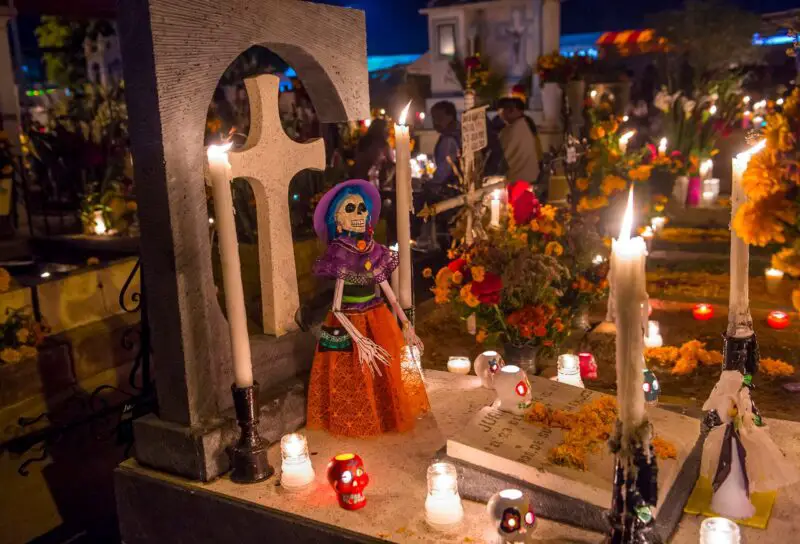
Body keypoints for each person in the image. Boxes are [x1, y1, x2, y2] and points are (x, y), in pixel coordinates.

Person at [307, 180, 429, 437]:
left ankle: (386, 415)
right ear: (338, 222)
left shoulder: (374, 251)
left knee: (388, 367)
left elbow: (389, 293)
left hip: (377, 314)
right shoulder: (340, 254)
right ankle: (357, 419)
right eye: (350, 209)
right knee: (351, 371)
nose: (360, 215)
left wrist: (406, 326)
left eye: (362, 208)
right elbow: (337, 307)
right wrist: (360, 339)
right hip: (350, 322)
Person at [415, 101, 461, 251]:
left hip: (450, 192)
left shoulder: (449, 139)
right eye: (433, 118)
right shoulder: (459, 132)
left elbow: (444, 170)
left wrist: (430, 184)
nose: (435, 123)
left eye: (439, 118)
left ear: (450, 116)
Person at [497, 97, 542, 185]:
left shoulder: (513, 129)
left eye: (502, 111)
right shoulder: (525, 124)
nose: (501, 114)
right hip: (531, 176)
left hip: (517, 178)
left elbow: (501, 155)